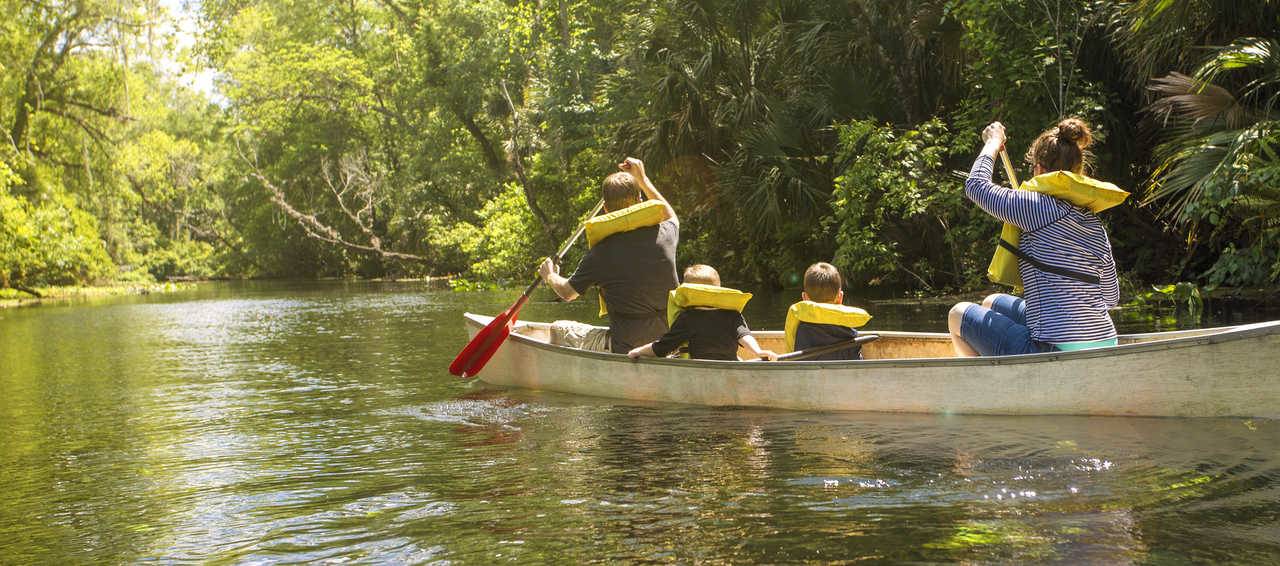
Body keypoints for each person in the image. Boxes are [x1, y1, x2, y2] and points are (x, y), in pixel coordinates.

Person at [949, 118, 1122, 356]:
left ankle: (984, 388)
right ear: (1077, 173)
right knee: (991, 302)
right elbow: (1111, 298)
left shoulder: (1036, 206)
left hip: (1053, 349)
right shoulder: (1093, 222)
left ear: (1038, 170)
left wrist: (993, 141)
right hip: (1106, 343)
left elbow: (976, 186)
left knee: (957, 314)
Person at [538, 157, 678, 354]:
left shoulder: (600, 253)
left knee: (557, 328)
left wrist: (550, 275)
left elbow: (567, 293)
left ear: (605, 209)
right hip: (670, 340)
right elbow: (669, 214)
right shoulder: (665, 234)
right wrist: (643, 178)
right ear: (640, 201)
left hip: (627, 346)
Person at [627, 264, 778, 361]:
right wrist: (758, 352)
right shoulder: (732, 314)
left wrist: (637, 352)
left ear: (687, 292)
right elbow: (744, 336)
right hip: (730, 365)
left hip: (701, 368)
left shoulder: (688, 318)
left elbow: (662, 347)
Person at [784, 262, 871, 361]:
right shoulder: (849, 330)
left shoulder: (801, 330)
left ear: (805, 298)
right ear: (840, 297)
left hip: (808, 375)